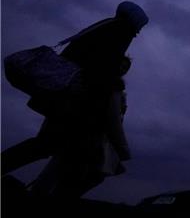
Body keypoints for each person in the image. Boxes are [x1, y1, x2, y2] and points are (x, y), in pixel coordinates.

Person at [2, 1, 148, 179]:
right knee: (49, 147)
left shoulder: (105, 27)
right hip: (75, 101)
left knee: (49, 146)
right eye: (138, 28)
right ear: (133, 20)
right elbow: (101, 70)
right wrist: (111, 89)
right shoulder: (119, 31)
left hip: (70, 98)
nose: (137, 33)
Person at [29, 54, 133, 200]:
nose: (122, 69)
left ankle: (44, 196)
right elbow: (113, 119)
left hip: (88, 135)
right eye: (121, 65)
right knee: (70, 169)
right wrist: (122, 149)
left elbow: (115, 118)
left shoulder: (113, 87)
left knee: (68, 168)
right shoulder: (110, 86)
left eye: (125, 68)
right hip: (84, 134)